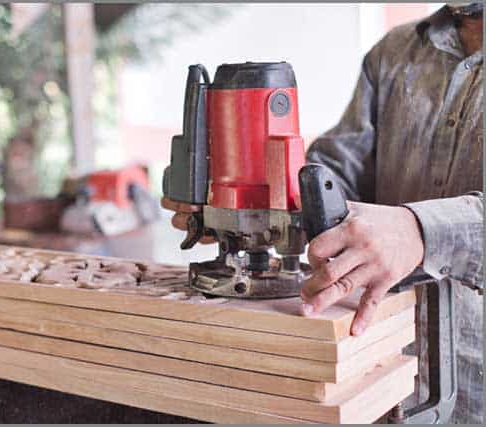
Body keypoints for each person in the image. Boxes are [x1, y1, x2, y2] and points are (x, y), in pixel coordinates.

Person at [166, 4, 483, 423]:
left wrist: (419, 231)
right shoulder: (396, 52)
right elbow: (341, 167)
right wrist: (262, 197)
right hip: (378, 369)